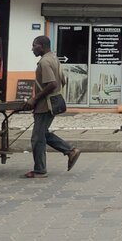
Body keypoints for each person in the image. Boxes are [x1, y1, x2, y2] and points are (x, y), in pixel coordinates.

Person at [24, 35, 80, 178]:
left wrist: (34, 99)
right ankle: (70, 150)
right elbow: (63, 81)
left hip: (45, 105)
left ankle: (40, 170)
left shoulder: (44, 62)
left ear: (41, 46)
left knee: (37, 137)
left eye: (34, 45)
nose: (32, 49)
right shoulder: (54, 58)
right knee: (42, 133)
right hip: (52, 103)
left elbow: (52, 84)